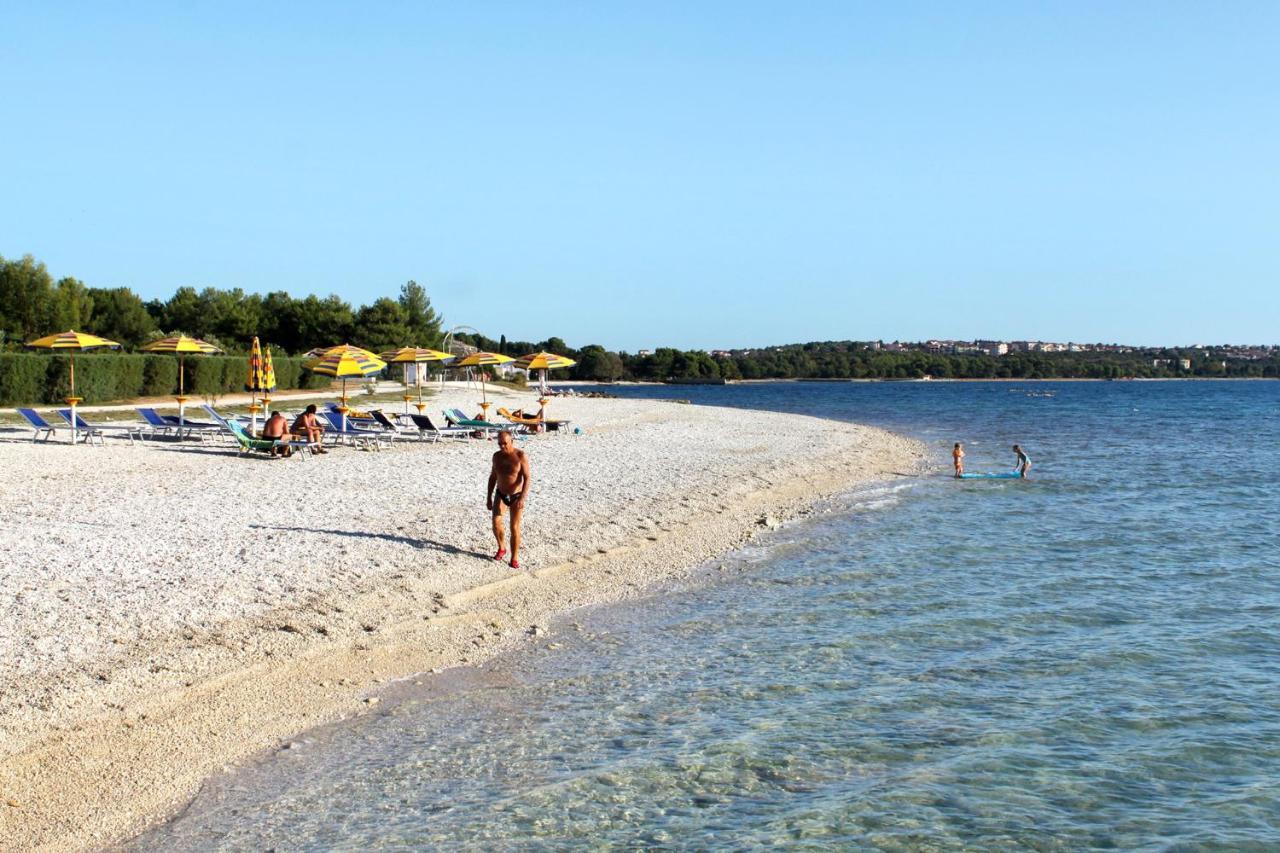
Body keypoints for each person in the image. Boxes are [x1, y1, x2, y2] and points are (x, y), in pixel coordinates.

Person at [487, 430, 531, 569]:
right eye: (499, 443)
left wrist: (523, 497)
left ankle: (514, 558)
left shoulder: (520, 456)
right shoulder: (496, 456)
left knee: (514, 527)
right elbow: (493, 477)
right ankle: (502, 548)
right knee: (495, 523)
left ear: (512, 441)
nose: (502, 446)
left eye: (505, 443)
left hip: (516, 496)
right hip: (500, 494)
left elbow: (527, 477)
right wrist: (488, 496)